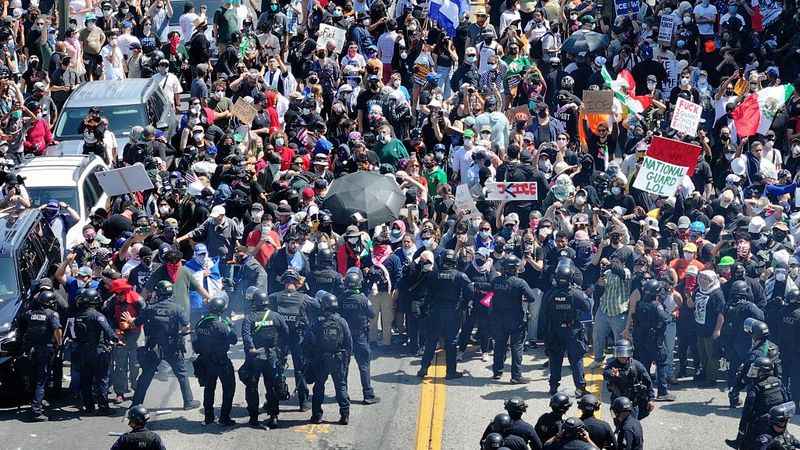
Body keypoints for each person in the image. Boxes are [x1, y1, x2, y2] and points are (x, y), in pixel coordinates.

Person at [123, 281, 200, 411]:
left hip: (154, 347)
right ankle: (188, 402)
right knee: (181, 374)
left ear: (158, 292)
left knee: (146, 375)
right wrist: (180, 333)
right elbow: (186, 326)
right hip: (173, 346)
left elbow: (135, 324)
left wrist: (130, 321)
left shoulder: (150, 308)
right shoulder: (177, 308)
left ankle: (135, 404)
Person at [417, 249, 474, 379]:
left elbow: (428, 295)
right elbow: (470, 293)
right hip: (452, 313)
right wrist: (463, 303)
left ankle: (424, 368)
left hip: (436, 312)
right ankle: (450, 372)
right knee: (451, 343)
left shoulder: (433, 275)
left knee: (432, 341)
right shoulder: (460, 276)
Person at [268, 269, 320, 411]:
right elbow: (319, 307)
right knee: (300, 368)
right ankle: (303, 401)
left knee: (279, 367)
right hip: (298, 337)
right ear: (297, 283)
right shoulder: (305, 299)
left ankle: (276, 398)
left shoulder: (274, 297)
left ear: (284, 282)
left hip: (280, 337)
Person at [240, 289, 290, 430]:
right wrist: (280, 350)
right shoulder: (276, 316)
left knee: (252, 387)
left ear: (254, 303)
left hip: (254, 357)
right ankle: (273, 416)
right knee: (272, 387)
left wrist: (251, 348)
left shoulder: (249, 318)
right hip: (271, 356)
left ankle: (253, 417)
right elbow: (285, 332)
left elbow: (246, 336)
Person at [539, 265, 591, 395]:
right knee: (576, 360)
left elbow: (544, 314)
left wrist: (545, 334)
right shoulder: (575, 293)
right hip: (572, 330)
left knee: (555, 359)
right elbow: (588, 307)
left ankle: (553, 386)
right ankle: (580, 387)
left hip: (555, 330)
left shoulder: (549, 294)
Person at [303, 291, 353, 424]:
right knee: (341, 386)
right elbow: (348, 342)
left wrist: (309, 357)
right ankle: (345, 414)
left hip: (321, 359)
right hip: (338, 359)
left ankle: (317, 415)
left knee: (319, 387)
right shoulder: (341, 321)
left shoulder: (316, 322)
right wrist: (346, 360)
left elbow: (307, 341)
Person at [489, 254, 537, 383]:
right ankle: (516, 375)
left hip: (499, 318)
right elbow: (532, 297)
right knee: (517, 346)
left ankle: (497, 372)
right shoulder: (519, 282)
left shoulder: (495, 281)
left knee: (499, 345)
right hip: (515, 319)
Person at [727, 357, 792, 449]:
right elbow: (787, 398)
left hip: (761, 422)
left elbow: (747, 411)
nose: (753, 372)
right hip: (778, 418)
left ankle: (740, 443)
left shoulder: (756, 388)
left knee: (748, 441)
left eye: (756, 370)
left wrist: (741, 427)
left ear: (762, 372)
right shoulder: (778, 381)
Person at [73, 288, 120, 415]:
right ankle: (103, 407)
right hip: (97, 350)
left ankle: (89, 406)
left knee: (86, 379)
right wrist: (117, 340)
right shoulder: (97, 316)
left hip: (83, 351)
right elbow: (108, 331)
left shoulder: (78, 316)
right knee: (102, 379)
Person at [193, 297, 237, 426]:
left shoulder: (200, 323)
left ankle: (209, 417)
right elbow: (233, 340)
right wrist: (231, 326)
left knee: (209, 389)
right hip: (221, 361)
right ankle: (224, 417)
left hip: (206, 361)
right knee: (229, 388)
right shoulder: (222, 325)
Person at [19, 290, 62, 421]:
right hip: (45, 350)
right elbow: (57, 329)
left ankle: (33, 402)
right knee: (41, 380)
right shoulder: (52, 314)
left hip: (31, 350)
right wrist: (59, 344)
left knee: (32, 378)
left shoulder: (29, 313)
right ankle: (36, 411)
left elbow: (22, 326)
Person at [338, 271, 380, 404]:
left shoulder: (341, 298)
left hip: (345, 336)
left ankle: (342, 395)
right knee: (364, 364)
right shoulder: (363, 299)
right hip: (360, 335)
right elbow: (372, 315)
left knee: (344, 366)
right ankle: (368, 394)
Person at [630, 279, 675, 402]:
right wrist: (670, 315)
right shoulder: (656, 305)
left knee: (645, 366)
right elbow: (665, 319)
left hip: (642, 339)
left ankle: (645, 391)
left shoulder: (640, 303)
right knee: (661, 364)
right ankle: (662, 392)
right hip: (654, 339)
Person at [731, 319, 783, 409]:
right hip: (774, 380)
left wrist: (741, 382)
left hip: (760, 383)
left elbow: (749, 373)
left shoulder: (756, 353)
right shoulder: (774, 346)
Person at [603, 339, 656, 420]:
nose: (622, 356)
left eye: (624, 353)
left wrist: (651, 399)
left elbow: (648, 382)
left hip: (632, 402)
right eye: (620, 353)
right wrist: (611, 374)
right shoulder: (613, 365)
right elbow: (605, 375)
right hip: (617, 401)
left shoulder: (637, 365)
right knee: (618, 424)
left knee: (632, 424)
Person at [777, 289, 800, 407]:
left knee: (784, 376)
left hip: (783, 348)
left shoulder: (781, 312)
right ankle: (795, 404)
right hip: (796, 350)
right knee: (796, 378)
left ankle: (783, 401)